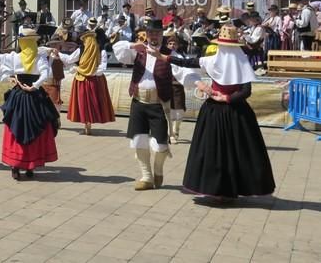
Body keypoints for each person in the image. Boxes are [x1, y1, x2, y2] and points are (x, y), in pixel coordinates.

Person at [158, 25, 276, 202]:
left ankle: (221, 190)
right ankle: (226, 190)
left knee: (217, 150)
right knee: (235, 151)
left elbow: (188, 62)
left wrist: (225, 98)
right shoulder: (238, 61)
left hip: (220, 110)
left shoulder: (218, 61)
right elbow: (245, 91)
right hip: (235, 111)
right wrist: (164, 57)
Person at [112, 19, 199, 191]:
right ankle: (147, 176)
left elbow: (185, 73)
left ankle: (158, 170)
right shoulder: (139, 50)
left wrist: (199, 84)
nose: (154, 36)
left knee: (161, 144)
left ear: (162, 35)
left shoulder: (169, 54)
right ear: (146, 34)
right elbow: (118, 50)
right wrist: (131, 45)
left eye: (157, 33)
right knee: (139, 141)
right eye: (151, 33)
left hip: (158, 104)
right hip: (138, 102)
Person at [0, 29, 59, 180]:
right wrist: (35, 86)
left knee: (16, 127)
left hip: (18, 96)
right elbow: (45, 74)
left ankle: (16, 166)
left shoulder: (16, 57)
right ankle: (29, 166)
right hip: (35, 97)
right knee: (36, 129)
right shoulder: (38, 57)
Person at [57, 17, 114, 135]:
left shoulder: (96, 50)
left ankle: (88, 123)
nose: (85, 42)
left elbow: (101, 68)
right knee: (87, 103)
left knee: (90, 103)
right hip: (91, 80)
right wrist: (59, 54)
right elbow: (69, 59)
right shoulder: (87, 50)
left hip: (86, 79)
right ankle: (87, 123)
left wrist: (80, 69)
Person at [164, 32, 186, 144]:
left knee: (180, 111)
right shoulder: (163, 56)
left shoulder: (181, 57)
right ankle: (170, 134)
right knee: (169, 111)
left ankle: (176, 131)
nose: (172, 45)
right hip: (167, 86)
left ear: (178, 45)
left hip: (178, 87)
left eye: (174, 43)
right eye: (170, 43)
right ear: (167, 45)